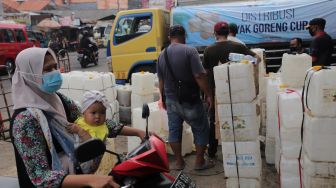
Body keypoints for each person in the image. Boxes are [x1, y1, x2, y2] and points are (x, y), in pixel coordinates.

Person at [10, 47, 148, 188]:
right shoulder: (25, 120)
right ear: (29, 74)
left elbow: (95, 122)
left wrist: (137, 132)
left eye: (55, 67)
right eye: (47, 69)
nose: (55, 73)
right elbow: (41, 177)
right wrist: (90, 180)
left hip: (74, 178)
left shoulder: (58, 99)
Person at [157, 25, 214, 171]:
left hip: (171, 99)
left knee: (174, 130)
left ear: (169, 37)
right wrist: (208, 94)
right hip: (190, 99)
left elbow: (161, 80)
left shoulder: (161, 55)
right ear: (184, 36)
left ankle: (179, 162)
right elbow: (199, 76)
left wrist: (162, 98)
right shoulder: (190, 51)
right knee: (201, 128)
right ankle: (199, 162)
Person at [203, 21, 260, 159]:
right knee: (238, 117)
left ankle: (212, 151)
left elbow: (205, 73)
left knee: (215, 120)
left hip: (217, 91)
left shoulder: (209, 50)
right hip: (237, 90)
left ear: (215, 33)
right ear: (228, 32)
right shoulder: (238, 46)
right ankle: (241, 149)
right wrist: (246, 65)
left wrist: (207, 94)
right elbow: (257, 59)